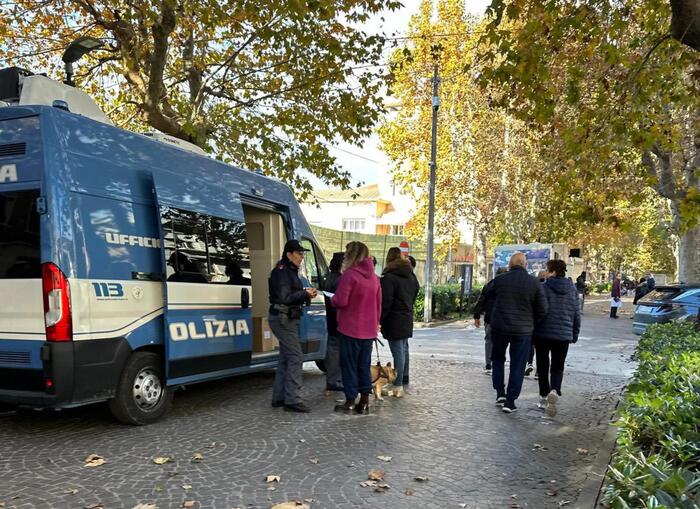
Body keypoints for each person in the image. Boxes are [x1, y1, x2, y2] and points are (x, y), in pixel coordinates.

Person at [479, 252, 548, 413]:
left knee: (497, 359)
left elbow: (487, 297)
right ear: (525, 265)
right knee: (518, 365)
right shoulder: (534, 283)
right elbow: (543, 309)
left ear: (510, 265)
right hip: (523, 330)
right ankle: (510, 401)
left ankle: (499, 393)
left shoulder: (499, 281)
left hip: (500, 327)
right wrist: (532, 322)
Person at [331, 241, 382, 414]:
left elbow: (341, 300)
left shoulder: (350, 275)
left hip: (350, 328)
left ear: (351, 255)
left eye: (346, 254)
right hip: (368, 330)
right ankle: (365, 400)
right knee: (363, 365)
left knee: (349, 365)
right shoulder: (375, 278)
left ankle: (350, 400)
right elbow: (378, 305)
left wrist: (332, 300)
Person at [268, 240, 318, 413]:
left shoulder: (288, 270)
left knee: (286, 357)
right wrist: (305, 293)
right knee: (296, 357)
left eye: (303, 254)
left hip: (286, 317)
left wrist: (305, 294)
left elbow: (289, 294)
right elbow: (285, 297)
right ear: (289, 254)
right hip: (283, 318)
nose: (302, 257)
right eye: (299, 253)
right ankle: (292, 399)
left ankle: (279, 397)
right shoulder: (282, 272)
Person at [533, 259, 580, 418]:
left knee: (542, 364)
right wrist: (575, 333)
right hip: (563, 334)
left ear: (552, 271)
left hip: (543, 333)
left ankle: (544, 395)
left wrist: (534, 329)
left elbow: (538, 311)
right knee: (558, 365)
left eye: (547, 269)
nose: (545, 272)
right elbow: (576, 313)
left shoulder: (544, 288)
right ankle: (555, 389)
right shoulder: (572, 290)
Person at [379, 247, 420, 398]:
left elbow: (386, 302)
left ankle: (397, 385)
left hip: (394, 318)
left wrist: (380, 320)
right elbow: (416, 289)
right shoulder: (410, 275)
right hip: (406, 315)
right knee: (403, 349)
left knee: (398, 352)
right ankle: (402, 378)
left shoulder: (389, 278)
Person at [474, 267, 508, 374]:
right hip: (504, 319)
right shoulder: (508, 287)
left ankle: (488, 364)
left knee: (489, 340)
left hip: (490, 318)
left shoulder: (489, 285)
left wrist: (477, 316)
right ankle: (498, 364)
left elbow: (481, 301)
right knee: (501, 342)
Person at [323, 252, 345, 392]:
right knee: (338, 351)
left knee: (332, 350)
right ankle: (336, 380)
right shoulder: (340, 280)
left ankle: (332, 379)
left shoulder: (329, 278)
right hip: (338, 319)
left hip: (330, 319)